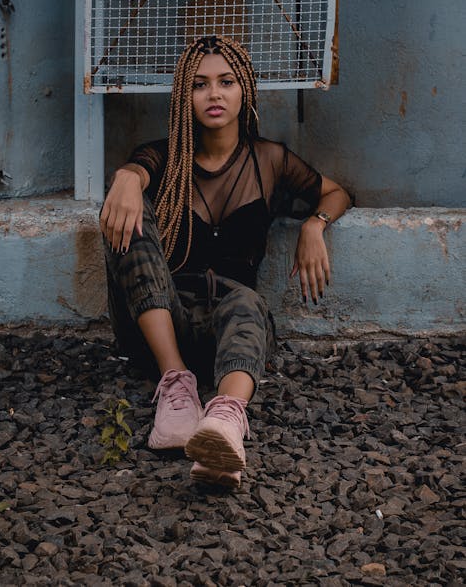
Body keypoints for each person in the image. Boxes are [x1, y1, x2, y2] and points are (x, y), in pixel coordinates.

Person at [100, 35, 350, 489]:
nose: (214, 94)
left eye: (226, 82)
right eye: (199, 85)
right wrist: (126, 177)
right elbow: (138, 170)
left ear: (244, 90)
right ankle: (176, 386)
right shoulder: (164, 157)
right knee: (128, 212)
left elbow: (336, 192)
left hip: (230, 332)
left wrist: (315, 225)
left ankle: (224, 424)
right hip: (161, 323)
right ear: (184, 97)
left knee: (249, 302)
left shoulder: (270, 160)